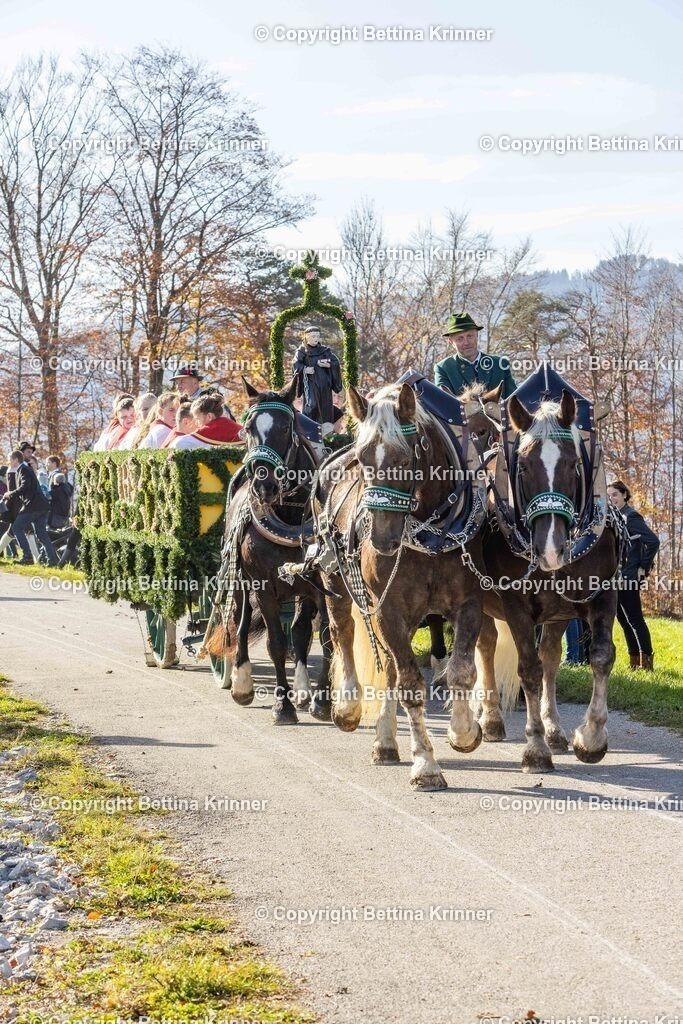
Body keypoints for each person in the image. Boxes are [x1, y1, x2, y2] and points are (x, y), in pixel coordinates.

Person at [607, 480, 660, 671]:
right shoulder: (617, 516)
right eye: (609, 495)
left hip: (629, 578)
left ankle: (646, 664)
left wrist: (643, 567)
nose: (612, 498)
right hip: (617, 578)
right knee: (623, 619)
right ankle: (634, 660)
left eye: (615, 494)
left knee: (635, 619)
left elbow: (653, 541)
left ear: (624, 495)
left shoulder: (632, 517)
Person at [434, 312, 517, 398]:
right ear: (451, 342)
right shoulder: (443, 368)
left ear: (477, 335)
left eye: (470, 336)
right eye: (460, 338)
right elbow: (443, 402)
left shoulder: (500, 364)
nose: (466, 342)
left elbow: (514, 399)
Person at [4, 450, 58, 566]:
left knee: (17, 527)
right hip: (41, 506)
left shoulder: (23, 469)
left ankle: (27, 557)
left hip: (33, 505)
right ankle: (52, 561)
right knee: (41, 534)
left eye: (10, 459)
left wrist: (11, 493)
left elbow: (25, 486)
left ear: (15, 460)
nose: (9, 462)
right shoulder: (24, 469)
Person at [292, 325, 343, 432]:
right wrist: (305, 369)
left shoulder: (325, 351)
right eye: (313, 336)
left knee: (326, 407)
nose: (316, 339)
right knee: (312, 405)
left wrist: (328, 364)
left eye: (318, 336)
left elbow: (335, 362)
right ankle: (310, 429)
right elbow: (296, 365)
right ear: (307, 337)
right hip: (311, 384)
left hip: (325, 385)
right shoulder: (301, 351)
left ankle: (326, 431)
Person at [170, 394, 242, 449]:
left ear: (209, 416)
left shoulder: (185, 441)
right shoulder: (244, 432)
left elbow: (179, 443)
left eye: (197, 419)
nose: (196, 423)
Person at [46, 455, 73, 530]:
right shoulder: (61, 475)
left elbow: (53, 494)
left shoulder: (56, 476)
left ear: (54, 464)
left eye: (48, 463)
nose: (46, 465)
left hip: (56, 512)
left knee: (54, 533)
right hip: (61, 512)